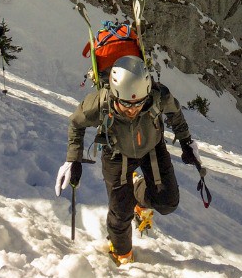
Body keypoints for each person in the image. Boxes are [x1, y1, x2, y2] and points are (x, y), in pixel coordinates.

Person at [55, 55, 203, 265]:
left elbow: (175, 113)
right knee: (120, 214)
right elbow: (76, 124)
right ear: (114, 95)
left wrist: (186, 141)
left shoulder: (158, 95)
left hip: (152, 147)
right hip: (117, 152)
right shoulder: (98, 103)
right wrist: (73, 159)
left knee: (168, 202)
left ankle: (136, 188)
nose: (132, 110)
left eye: (138, 104)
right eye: (125, 104)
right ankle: (122, 253)